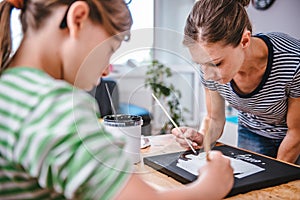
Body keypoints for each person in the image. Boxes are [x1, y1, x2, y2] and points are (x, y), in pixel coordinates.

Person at [0, 0, 234, 199]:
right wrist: (210, 186)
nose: (107, 70)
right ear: (78, 19)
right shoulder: (49, 105)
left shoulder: (12, 89)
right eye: (110, 48)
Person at [172, 0, 300, 164]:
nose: (208, 75)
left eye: (217, 63)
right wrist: (201, 138)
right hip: (251, 130)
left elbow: (296, 132)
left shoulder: (293, 61)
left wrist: (277, 172)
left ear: (244, 41)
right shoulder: (208, 66)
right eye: (200, 63)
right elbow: (214, 118)